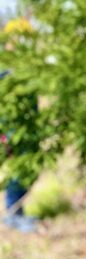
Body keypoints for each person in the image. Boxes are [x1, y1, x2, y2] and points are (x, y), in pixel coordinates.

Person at [0, 66, 40, 234]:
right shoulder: (4, 74)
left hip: (28, 129)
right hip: (11, 130)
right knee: (17, 172)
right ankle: (13, 213)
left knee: (28, 170)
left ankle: (19, 210)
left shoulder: (26, 70)